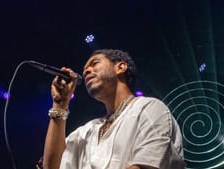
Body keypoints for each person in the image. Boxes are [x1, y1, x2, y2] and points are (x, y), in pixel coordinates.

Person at [42, 49, 185, 169]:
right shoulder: (87, 130)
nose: (86, 72)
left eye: (95, 63)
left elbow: (146, 164)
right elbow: (53, 166)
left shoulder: (149, 109)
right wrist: (60, 104)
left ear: (120, 67)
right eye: (84, 71)